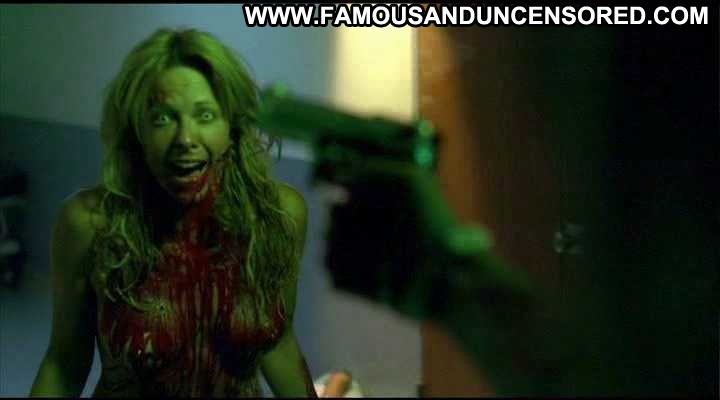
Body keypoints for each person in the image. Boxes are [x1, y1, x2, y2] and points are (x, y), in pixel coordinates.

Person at [30, 27, 317, 397]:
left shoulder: (278, 217)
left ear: (233, 126)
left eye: (205, 115)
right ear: (136, 131)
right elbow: (64, 365)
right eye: (163, 118)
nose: (185, 139)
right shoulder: (89, 225)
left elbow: (279, 344)